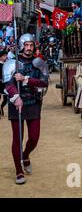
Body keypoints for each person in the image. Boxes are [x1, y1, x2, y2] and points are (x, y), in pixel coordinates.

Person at [3, 34, 49, 184]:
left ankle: (25, 155)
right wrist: (16, 96)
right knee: (18, 139)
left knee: (34, 138)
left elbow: (44, 83)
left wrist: (27, 79)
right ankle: (18, 171)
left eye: (31, 45)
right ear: (21, 45)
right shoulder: (12, 63)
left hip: (33, 102)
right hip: (16, 104)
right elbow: (8, 84)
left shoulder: (39, 63)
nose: (29, 48)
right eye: (26, 45)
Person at [0, 49, 8, 117]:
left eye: (6, 55)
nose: (6, 57)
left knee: (6, 99)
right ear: (1, 57)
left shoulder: (6, 64)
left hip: (5, 84)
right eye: (4, 56)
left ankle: (1, 107)